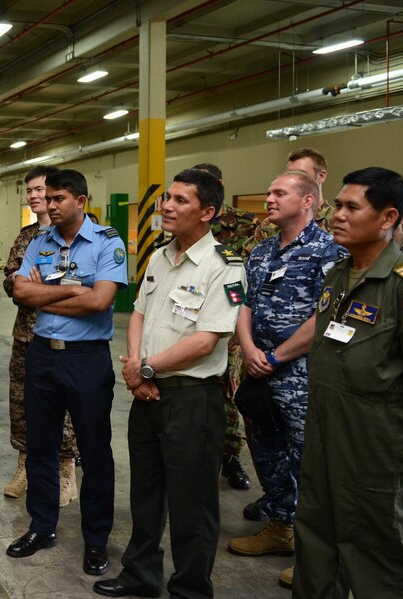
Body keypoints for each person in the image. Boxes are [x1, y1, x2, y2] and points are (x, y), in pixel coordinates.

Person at [95, 169, 245, 599]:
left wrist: (145, 370)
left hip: (192, 400)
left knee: (191, 505)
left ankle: (190, 589)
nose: (167, 207)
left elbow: (206, 341)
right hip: (149, 396)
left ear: (208, 212)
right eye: (167, 198)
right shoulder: (161, 255)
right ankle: (141, 575)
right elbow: (139, 313)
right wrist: (138, 367)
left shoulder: (225, 268)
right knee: (145, 492)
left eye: (180, 200)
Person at [293, 167, 403, 598]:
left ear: (387, 218)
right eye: (337, 206)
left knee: (375, 553)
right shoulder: (336, 277)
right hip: (326, 432)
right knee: (314, 540)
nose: (337, 216)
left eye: (351, 207)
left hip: (377, 447)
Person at [5, 169, 127, 577]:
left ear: (81, 200)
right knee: (40, 447)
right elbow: (21, 292)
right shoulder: (38, 241)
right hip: (41, 356)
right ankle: (42, 527)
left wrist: (47, 298)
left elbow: (100, 302)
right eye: (47, 198)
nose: (50, 205)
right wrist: (74, 290)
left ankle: (95, 540)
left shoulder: (108, 242)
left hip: (87, 359)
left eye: (59, 198)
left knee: (95, 452)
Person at [229, 171, 345, 587]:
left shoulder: (328, 251)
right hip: (258, 368)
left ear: (309, 201)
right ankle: (280, 528)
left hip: (301, 373)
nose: (270, 199)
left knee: (307, 460)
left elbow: (328, 315)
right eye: (270, 191)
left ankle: (314, 554)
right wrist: (248, 349)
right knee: (266, 451)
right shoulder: (260, 252)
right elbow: (240, 301)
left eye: (280, 193)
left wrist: (276, 357)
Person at [2, 165, 81, 503]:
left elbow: (85, 289)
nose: (35, 197)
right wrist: (34, 286)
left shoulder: (79, 237)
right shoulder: (26, 237)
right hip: (27, 336)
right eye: (30, 191)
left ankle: (65, 471)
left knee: (65, 408)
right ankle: (25, 466)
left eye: (41, 190)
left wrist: (39, 286)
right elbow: (12, 283)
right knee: (22, 405)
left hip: (68, 337)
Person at [197, 163, 257, 491]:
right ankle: (201, 453)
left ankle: (231, 456)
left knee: (229, 392)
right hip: (193, 318)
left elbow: (240, 269)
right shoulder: (189, 220)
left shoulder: (247, 223)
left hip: (232, 323)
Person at [253, 148, 333, 244]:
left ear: (321, 176)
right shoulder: (269, 225)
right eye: (289, 174)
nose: (293, 178)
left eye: (302, 174)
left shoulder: (337, 222)